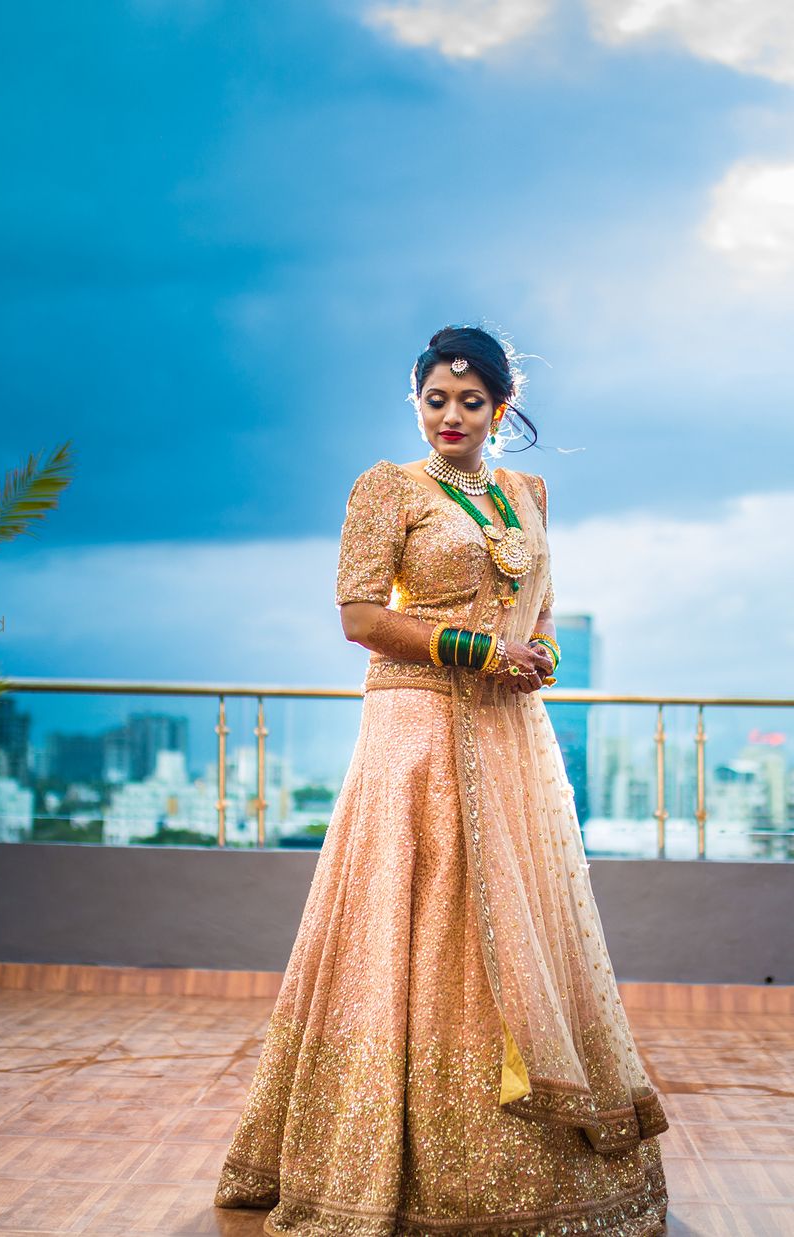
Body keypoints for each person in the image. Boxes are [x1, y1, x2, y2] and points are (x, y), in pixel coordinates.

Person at [213, 324, 670, 1235]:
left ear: (500, 406)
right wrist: (474, 648)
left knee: (506, 917)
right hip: (415, 729)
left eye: (470, 400)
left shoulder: (528, 493)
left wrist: (536, 652)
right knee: (417, 914)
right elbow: (355, 615)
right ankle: (384, 1148)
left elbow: (532, 609)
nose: (450, 416)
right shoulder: (391, 487)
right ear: (416, 400)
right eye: (435, 399)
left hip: (506, 730)